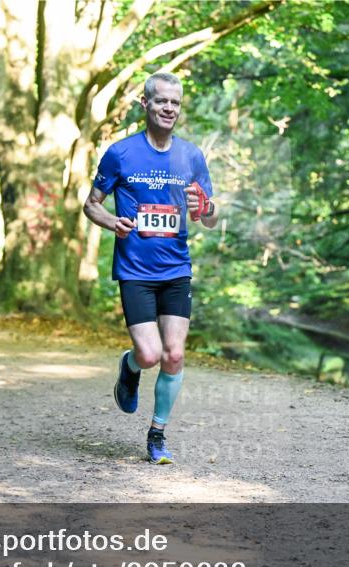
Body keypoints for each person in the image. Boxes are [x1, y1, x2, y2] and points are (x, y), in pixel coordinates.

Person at [83, 72, 219, 464]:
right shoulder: (121, 154)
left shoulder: (191, 156)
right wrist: (112, 222)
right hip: (135, 271)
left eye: (175, 102)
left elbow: (207, 216)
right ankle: (129, 368)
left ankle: (157, 434)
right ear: (145, 105)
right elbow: (91, 203)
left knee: (173, 355)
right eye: (161, 101)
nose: (169, 108)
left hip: (176, 269)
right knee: (149, 354)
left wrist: (204, 209)